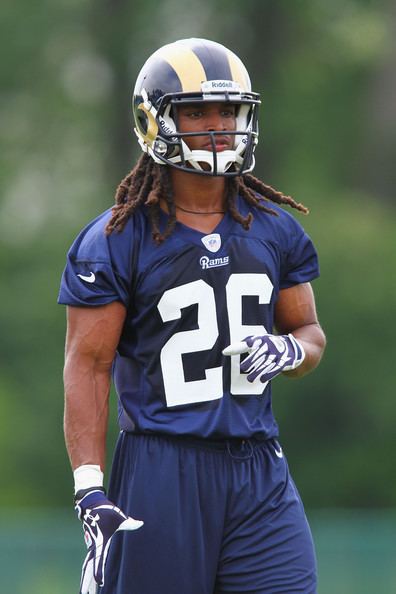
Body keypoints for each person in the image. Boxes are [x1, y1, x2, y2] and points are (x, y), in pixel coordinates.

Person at [59, 37, 326, 594]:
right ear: (154, 121)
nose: (217, 125)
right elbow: (88, 366)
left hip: (260, 469)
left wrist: (290, 351)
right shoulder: (116, 239)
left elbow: (309, 334)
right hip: (162, 469)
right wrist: (90, 488)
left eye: (227, 110)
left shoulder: (275, 229)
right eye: (196, 111)